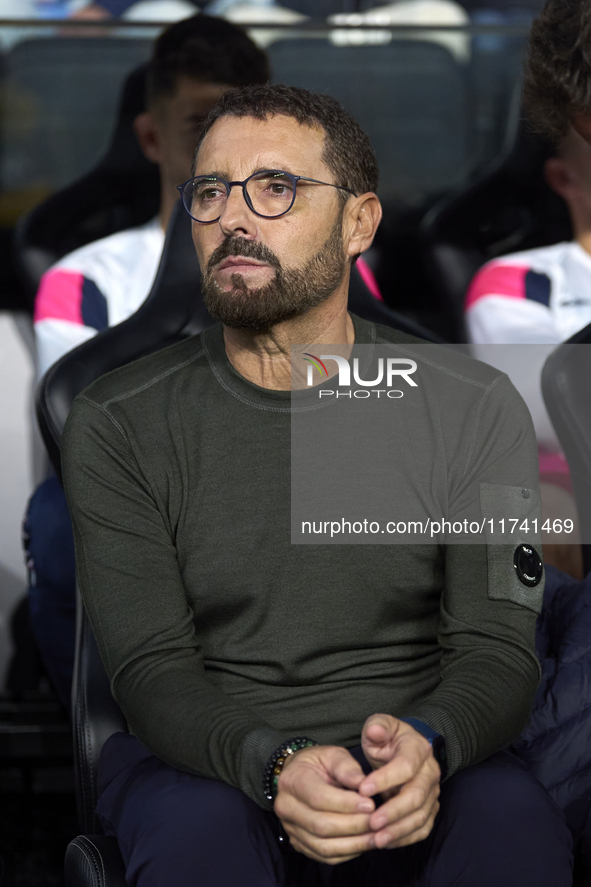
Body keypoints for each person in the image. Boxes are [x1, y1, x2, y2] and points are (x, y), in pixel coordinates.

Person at [61, 83, 572, 886]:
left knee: (514, 824)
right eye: (209, 193)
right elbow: (152, 670)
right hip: (206, 764)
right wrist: (276, 762)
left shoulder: (469, 404)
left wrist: (428, 742)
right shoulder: (116, 419)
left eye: (275, 188)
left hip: (423, 755)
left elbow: (495, 646)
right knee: (199, 835)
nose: (232, 218)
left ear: (359, 222)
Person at [24, 13, 270, 710]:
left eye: (249, 124)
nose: (230, 148)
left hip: (294, 489)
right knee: (57, 513)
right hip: (145, 507)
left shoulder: (332, 270)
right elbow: (96, 439)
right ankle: (113, 735)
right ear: (151, 136)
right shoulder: (86, 279)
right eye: (203, 125)